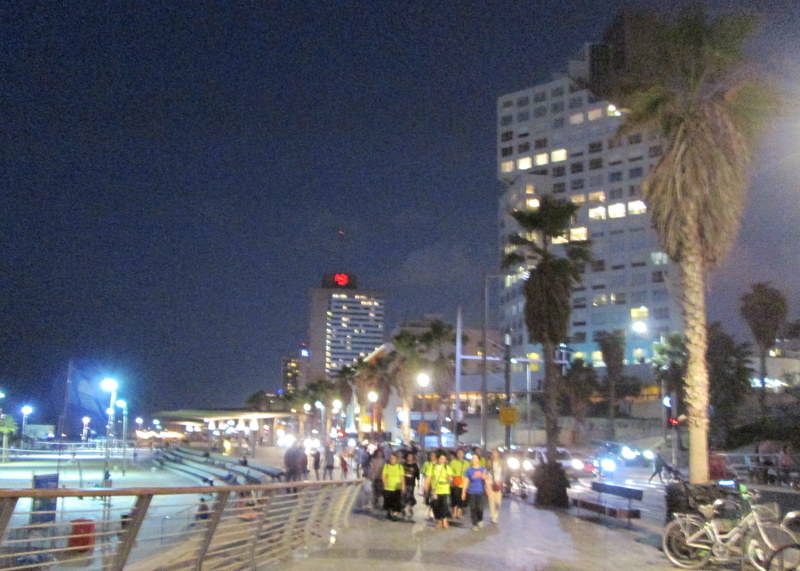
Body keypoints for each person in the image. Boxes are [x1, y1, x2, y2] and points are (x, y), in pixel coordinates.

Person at [425, 451, 453, 529]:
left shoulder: (447, 467)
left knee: (444, 505)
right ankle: (438, 520)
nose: (442, 460)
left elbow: (451, 478)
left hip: (445, 489)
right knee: (435, 505)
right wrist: (426, 487)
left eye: (444, 459)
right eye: (441, 459)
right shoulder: (432, 466)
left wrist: (449, 479)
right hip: (435, 489)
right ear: (438, 459)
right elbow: (428, 477)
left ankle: (444, 520)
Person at [462, 453, 487, 531]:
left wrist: (489, 490)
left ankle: (480, 519)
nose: (473, 460)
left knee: (480, 508)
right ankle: (474, 524)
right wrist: (463, 492)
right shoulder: (469, 470)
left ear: (479, 460)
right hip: (471, 491)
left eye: (475, 458)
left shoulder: (483, 469)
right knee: (473, 508)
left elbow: (486, 479)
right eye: (472, 458)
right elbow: (466, 481)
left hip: (480, 491)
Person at [382, 453, 405, 520]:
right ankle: (388, 512)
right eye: (390, 458)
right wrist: (385, 483)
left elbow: (402, 478)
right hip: (388, 488)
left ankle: (395, 514)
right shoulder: (386, 466)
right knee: (388, 502)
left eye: (393, 458)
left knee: (396, 502)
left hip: (397, 488)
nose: (391, 460)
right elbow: (383, 476)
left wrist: (403, 487)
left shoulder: (400, 467)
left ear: (396, 459)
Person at [449, 449, 469, 520]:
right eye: (458, 453)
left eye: (461, 453)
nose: (460, 454)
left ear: (463, 454)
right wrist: (452, 479)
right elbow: (450, 472)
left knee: (462, 497)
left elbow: (468, 473)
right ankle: (454, 511)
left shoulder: (466, 463)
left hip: (463, 483)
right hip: (455, 482)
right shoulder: (453, 462)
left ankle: (459, 511)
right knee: (454, 497)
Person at [486, 448, 504, 524]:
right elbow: (486, 473)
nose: (494, 455)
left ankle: (496, 514)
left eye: (496, 453)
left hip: (499, 484)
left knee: (498, 502)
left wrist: (501, 481)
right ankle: (493, 516)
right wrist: (487, 484)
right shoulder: (489, 463)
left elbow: (504, 473)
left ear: (498, 454)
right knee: (491, 501)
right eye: (493, 453)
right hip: (490, 483)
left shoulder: (501, 463)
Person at [402, 451, 420, 521]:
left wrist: (418, 481)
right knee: (404, 496)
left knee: (410, 496)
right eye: (408, 456)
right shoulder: (404, 464)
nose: (409, 458)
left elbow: (417, 474)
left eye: (411, 456)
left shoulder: (415, 465)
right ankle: (404, 508)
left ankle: (410, 507)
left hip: (411, 483)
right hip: (404, 482)